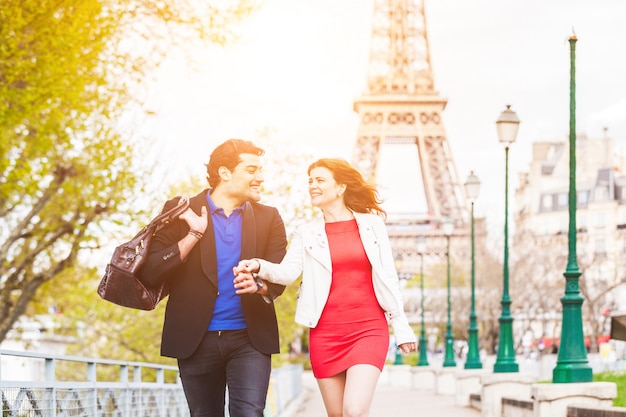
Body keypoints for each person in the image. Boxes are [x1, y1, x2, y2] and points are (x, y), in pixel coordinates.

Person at [233, 158, 417, 417]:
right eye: (310, 181)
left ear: (340, 187)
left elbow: (389, 277)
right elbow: (287, 273)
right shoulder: (306, 232)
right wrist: (258, 265)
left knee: (354, 411)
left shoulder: (371, 225)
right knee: (337, 415)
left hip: (368, 329)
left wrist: (402, 326)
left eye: (320, 180)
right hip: (326, 333)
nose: (312, 186)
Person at [138, 138, 288, 417]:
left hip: (250, 339)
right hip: (195, 339)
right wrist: (193, 235)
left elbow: (279, 277)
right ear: (225, 173)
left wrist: (259, 285)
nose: (260, 178)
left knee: (250, 414)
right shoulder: (181, 210)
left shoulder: (270, 218)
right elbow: (152, 270)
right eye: (252, 170)